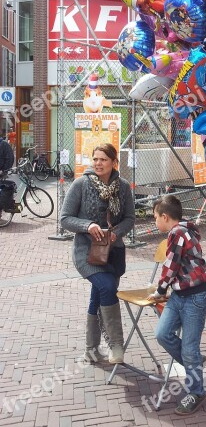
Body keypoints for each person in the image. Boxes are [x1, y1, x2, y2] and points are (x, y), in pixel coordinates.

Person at [61, 144, 134, 364]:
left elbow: (130, 218)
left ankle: (91, 350)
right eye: (95, 159)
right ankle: (116, 345)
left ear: (114, 162)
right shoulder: (81, 184)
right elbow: (65, 218)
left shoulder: (123, 187)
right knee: (107, 287)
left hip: (113, 252)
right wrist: (87, 225)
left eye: (103, 159)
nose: (98, 163)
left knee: (99, 294)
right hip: (87, 253)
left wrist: (116, 233)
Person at [148, 195, 206, 416]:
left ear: (165, 217)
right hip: (179, 295)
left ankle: (196, 392)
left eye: (155, 217)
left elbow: (171, 265)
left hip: (195, 296)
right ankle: (193, 363)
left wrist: (160, 290)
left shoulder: (177, 233)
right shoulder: (181, 231)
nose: (154, 221)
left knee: (190, 348)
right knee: (163, 334)